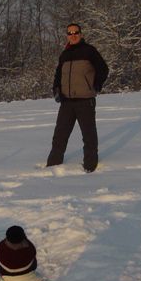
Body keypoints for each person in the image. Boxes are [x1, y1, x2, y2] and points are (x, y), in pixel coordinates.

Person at [46, 23, 109, 173]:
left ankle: (90, 166)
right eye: (70, 33)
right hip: (67, 102)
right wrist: (56, 90)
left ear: (80, 34)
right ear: (67, 35)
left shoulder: (89, 51)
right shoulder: (64, 54)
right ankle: (53, 165)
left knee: (88, 135)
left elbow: (103, 69)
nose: (73, 35)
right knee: (60, 135)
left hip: (85, 101)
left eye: (76, 32)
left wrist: (95, 85)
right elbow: (58, 75)